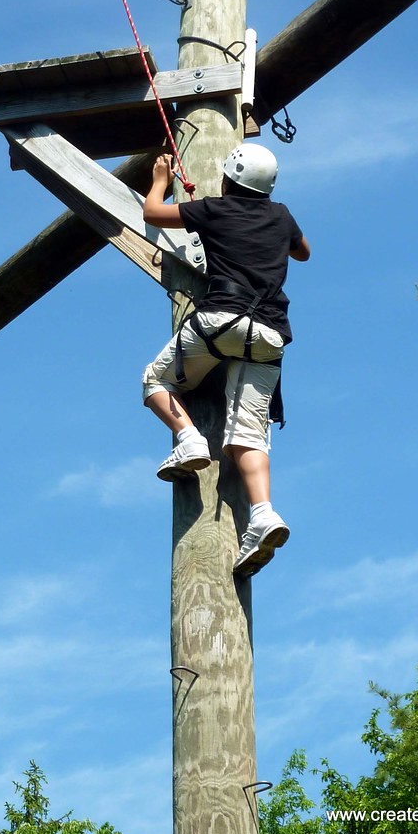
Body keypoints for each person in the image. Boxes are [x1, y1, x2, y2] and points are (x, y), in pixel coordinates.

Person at [141, 142, 310, 578]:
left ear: (230, 178)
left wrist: (161, 180)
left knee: (156, 381)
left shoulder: (213, 209)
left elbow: (153, 214)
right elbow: (303, 251)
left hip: (222, 320)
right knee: (248, 436)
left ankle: (189, 438)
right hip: (269, 335)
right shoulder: (282, 215)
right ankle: (263, 514)